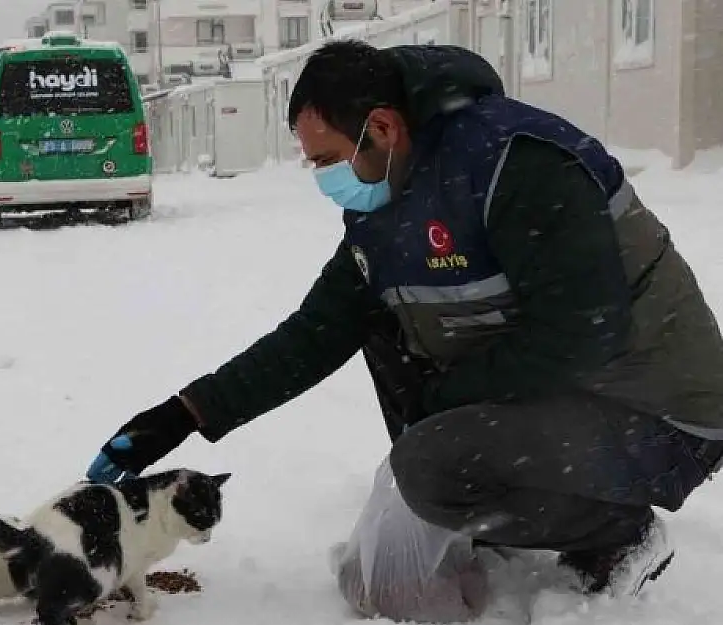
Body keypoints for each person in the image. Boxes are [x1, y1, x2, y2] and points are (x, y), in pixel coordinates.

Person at [86, 40, 723, 601]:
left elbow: (584, 333)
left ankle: (616, 531)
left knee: (428, 465)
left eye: (326, 158)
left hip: (659, 413)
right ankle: (497, 497)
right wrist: (183, 415)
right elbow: (317, 331)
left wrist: (448, 403)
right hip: (573, 400)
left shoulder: (517, 164)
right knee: (389, 339)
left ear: (383, 128)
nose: (322, 177)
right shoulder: (388, 204)